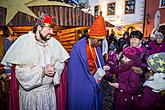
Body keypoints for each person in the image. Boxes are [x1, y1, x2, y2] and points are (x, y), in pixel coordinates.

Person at [1, 13, 70, 110]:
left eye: (52, 28)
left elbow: (61, 62)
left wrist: (55, 69)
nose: (52, 32)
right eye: (49, 28)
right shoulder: (24, 41)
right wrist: (42, 71)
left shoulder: (53, 42)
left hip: (48, 94)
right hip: (30, 97)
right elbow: (20, 72)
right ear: (39, 27)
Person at [67, 15, 106, 110]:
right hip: (81, 83)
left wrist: (103, 69)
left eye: (101, 41)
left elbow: (99, 63)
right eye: (98, 40)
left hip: (94, 80)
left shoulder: (97, 48)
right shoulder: (78, 48)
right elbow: (75, 71)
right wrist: (89, 78)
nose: (99, 43)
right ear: (92, 37)